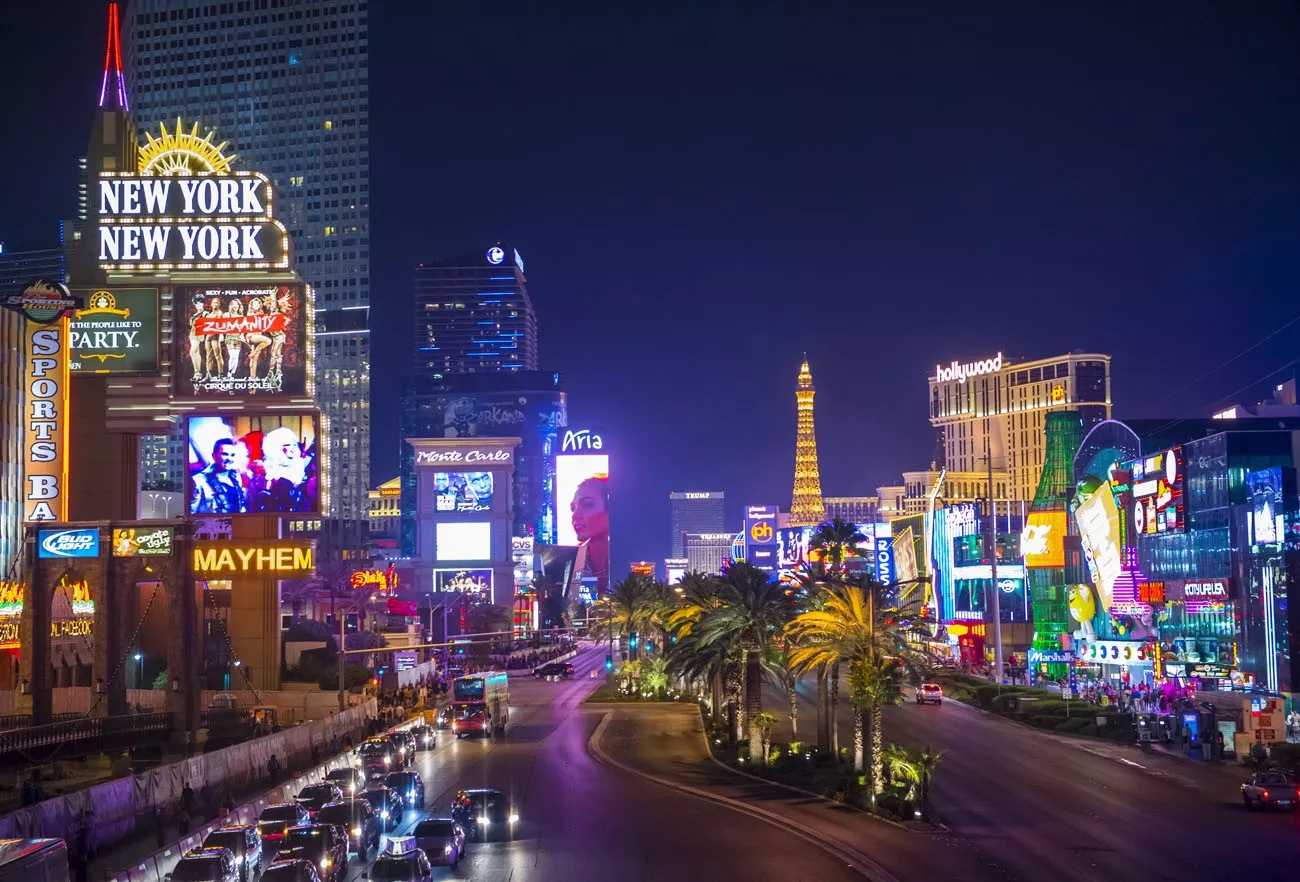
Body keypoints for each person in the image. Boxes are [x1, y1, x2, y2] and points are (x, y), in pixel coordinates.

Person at [570, 474, 610, 592]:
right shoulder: (572, 559)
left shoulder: (634, 559)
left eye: (587, 504)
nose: (575, 515)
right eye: (573, 508)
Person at [191, 438, 246, 513]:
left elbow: (240, 506)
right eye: (225, 454)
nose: (229, 458)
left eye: (232, 455)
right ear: (214, 456)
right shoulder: (200, 480)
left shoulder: (237, 477)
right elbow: (192, 512)